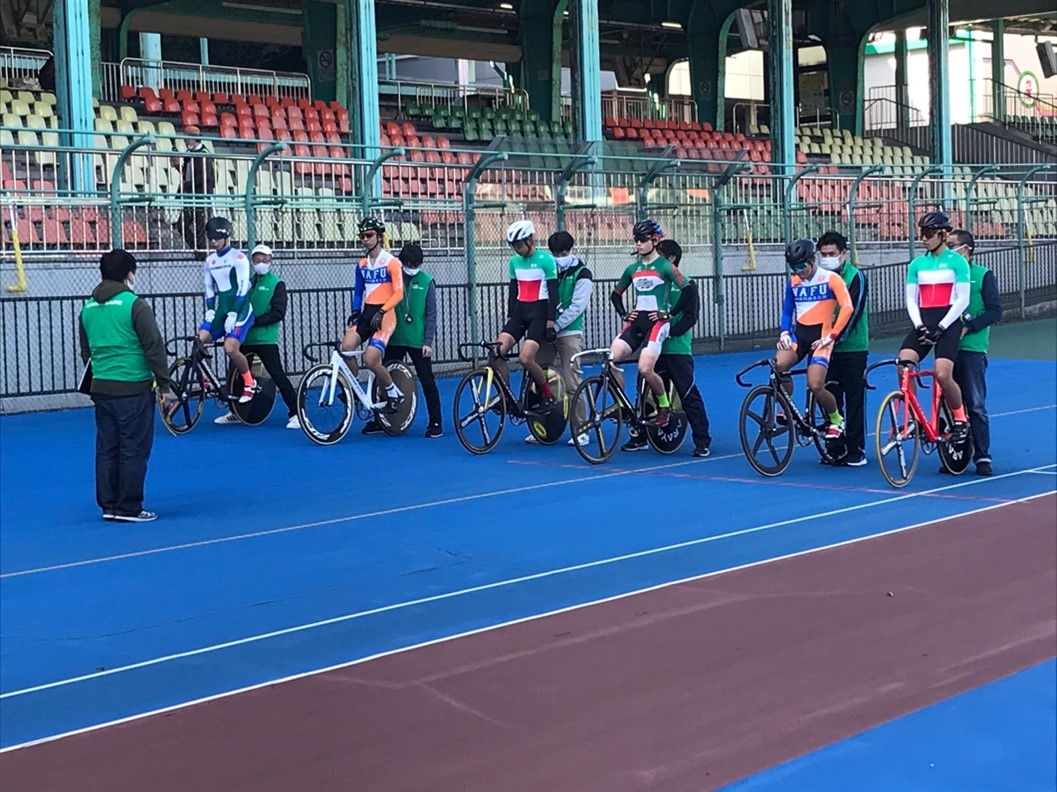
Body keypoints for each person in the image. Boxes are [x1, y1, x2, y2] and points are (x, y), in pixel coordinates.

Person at [79, 249, 175, 523]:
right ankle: (129, 507)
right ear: (128, 274)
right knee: (134, 448)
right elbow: (153, 346)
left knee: (107, 449)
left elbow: (86, 350)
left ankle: (109, 505)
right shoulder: (134, 304)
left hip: (102, 387)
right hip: (132, 386)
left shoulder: (88, 306)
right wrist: (164, 385)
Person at [622, 239, 711, 456]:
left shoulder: (686, 285)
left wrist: (668, 331)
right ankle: (640, 436)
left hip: (676, 349)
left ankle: (702, 440)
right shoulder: (653, 283)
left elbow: (691, 317)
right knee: (643, 392)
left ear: (670, 259)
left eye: (659, 255)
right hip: (652, 348)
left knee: (687, 393)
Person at [898, 211, 972, 442]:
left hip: (947, 323)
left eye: (928, 233)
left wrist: (941, 326)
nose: (924, 238)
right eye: (921, 233)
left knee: (942, 373)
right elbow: (911, 299)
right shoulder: (917, 264)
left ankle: (960, 419)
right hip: (924, 321)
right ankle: (916, 418)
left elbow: (963, 299)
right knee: (904, 364)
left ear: (942, 234)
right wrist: (919, 325)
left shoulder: (957, 261)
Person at [610, 218, 689, 429]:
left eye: (642, 239)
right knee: (610, 359)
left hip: (657, 324)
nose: (638, 244)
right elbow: (616, 294)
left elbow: (689, 291)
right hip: (636, 322)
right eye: (636, 240)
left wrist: (669, 313)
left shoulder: (665, 266)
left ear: (655, 240)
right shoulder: (632, 269)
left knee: (645, 368)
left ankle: (664, 406)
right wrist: (624, 314)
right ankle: (621, 405)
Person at [362, 243, 443, 438]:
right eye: (409, 263)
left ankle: (436, 422)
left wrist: (428, 342)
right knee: (383, 378)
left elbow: (431, 314)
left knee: (427, 380)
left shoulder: (427, 281)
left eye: (416, 264)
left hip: (417, 339)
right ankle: (380, 420)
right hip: (395, 337)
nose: (412, 268)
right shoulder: (392, 278)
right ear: (401, 261)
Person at [775, 239, 854, 440]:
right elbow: (787, 311)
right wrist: (784, 332)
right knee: (779, 364)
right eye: (793, 267)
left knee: (816, 385)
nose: (797, 271)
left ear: (812, 261)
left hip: (822, 336)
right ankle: (788, 406)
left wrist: (832, 336)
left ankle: (836, 419)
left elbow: (847, 308)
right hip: (799, 334)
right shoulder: (793, 282)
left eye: (801, 266)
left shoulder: (831, 279)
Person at [214, 244, 300, 429]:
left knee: (277, 375)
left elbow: (278, 313)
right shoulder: (247, 282)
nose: (260, 263)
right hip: (243, 338)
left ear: (271, 261)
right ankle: (235, 412)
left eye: (264, 259)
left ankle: (296, 413)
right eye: (257, 259)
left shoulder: (277, 283)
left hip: (265, 340)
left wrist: (253, 321)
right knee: (234, 377)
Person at [528, 230, 594, 446]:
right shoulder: (548, 269)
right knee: (539, 377)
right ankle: (541, 427)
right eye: (555, 252)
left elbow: (577, 306)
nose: (559, 256)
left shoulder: (583, 273)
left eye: (563, 252)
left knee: (573, 381)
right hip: (546, 331)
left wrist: (555, 325)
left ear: (570, 250)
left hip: (569, 332)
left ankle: (582, 429)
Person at [947, 229, 1002, 476]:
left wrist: (969, 327)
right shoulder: (943, 277)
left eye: (952, 246)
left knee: (975, 402)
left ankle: (982, 456)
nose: (947, 251)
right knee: (949, 402)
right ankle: (954, 455)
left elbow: (994, 311)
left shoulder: (982, 275)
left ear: (966, 250)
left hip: (972, 348)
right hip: (946, 346)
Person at [492, 219, 558, 415]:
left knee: (525, 358)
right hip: (521, 312)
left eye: (519, 245)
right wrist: (510, 318)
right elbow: (513, 291)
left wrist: (550, 323)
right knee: (496, 351)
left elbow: (553, 294)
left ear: (530, 239)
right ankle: (506, 397)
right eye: (513, 246)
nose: (516, 249)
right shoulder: (514, 262)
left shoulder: (546, 260)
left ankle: (547, 394)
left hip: (539, 313)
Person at [341, 217, 406, 413]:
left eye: (369, 235)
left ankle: (393, 391)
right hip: (367, 312)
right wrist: (355, 310)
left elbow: (399, 293)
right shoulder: (361, 264)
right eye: (362, 236)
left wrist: (382, 310)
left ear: (379, 236)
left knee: (370, 360)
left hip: (385, 314)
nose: (365, 239)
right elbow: (359, 291)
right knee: (346, 348)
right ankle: (354, 389)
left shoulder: (392, 262)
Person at [816, 231, 870, 466]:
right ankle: (835, 447)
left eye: (832, 254)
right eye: (824, 254)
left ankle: (856, 449)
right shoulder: (817, 279)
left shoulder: (855, 277)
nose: (827, 258)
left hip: (852, 347)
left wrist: (834, 339)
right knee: (828, 395)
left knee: (854, 398)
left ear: (843, 254)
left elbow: (854, 313)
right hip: (825, 348)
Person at [198, 216, 257, 403]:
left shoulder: (239, 258)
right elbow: (209, 289)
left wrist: (233, 313)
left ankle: (249, 382)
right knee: (199, 340)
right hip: (222, 308)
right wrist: (209, 309)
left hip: (240, 309)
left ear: (226, 236)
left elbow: (241, 288)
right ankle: (208, 378)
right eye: (210, 238)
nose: (213, 241)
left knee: (230, 348)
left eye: (217, 237)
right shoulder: (210, 261)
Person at [178, 125, 215, 258]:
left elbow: (205, 178)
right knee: (181, 225)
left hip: (201, 197)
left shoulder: (204, 155)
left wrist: (186, 186)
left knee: (200, 227)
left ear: (192, 139)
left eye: (186, 139)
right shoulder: (190, 154)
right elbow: (187, 174)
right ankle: (198, 249)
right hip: (190, 197)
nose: (184, 142)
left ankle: (202, 253)